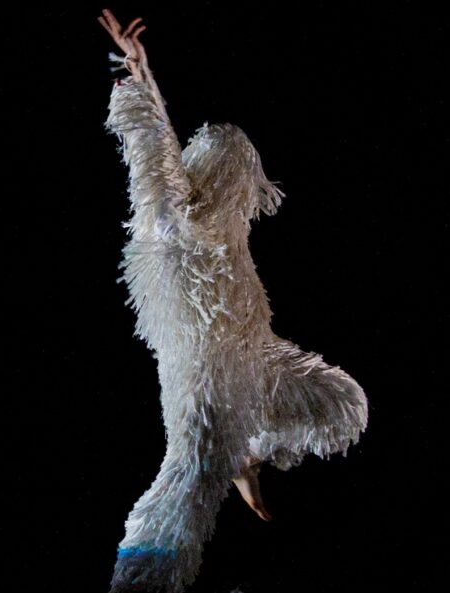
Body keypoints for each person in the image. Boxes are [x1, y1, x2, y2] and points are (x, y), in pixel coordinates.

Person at [97, 9, 369, 592]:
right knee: (185, 487)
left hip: (258, 360)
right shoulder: (174, 224)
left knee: (343, 402)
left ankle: (248, 451)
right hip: (205, 385)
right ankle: (138, 580)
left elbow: (165, 144)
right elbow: (153, 151)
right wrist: (133, 75)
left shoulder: (229, 235)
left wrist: (145, 76)